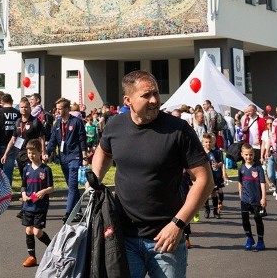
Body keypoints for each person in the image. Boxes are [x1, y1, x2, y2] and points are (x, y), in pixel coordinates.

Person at [90, 70, 213, 277]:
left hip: (166, 241)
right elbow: (103, 150)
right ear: (128, 100)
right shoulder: (115, 125)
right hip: (123, 238)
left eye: (156, 93)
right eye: (146, 95)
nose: (154, 100)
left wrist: (178, 224)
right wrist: (94, 181)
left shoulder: (178, 130)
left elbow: (205, 180)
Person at [44, 97, 87, 223]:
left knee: (72, 186)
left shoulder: (77, 122)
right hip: (63, 158)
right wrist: (47, 152)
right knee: (71, 185)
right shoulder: (57, 123)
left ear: (67, 109)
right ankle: (78, 212)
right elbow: (53, 140)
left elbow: (82, 139)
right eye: (56, 108)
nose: (57, 111)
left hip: (75, 157)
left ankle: (68, 213)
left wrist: (84, 156)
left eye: (60, 109)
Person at [20, 139, 53, 268]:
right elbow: (23, 186)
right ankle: (32, 257)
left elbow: (52, 188)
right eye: (29, 153)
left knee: (37, 232)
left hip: (40, 206)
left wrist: (44, 191)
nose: (31, 155)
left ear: (40, 152)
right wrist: (23, 194)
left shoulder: (46, 170)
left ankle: (52, 248)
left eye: (33, 153)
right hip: (28, 205)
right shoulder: (26, 169)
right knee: (28, 230)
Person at [237, 142, 267, 251]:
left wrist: (263, 198)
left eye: (250, 155)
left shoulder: (258, 169)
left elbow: (262, 184)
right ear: (242, 154)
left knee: (257, 219)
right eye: (246, 155)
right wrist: (240, 194)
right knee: (245, 220)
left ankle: (260, 240)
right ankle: (249, 238)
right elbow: (240, 182)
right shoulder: (241, 169)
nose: (248, 157)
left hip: (256, 199)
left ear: (254, 155)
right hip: (245, 199)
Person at [0, 93, 20, 185]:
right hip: (12, 145)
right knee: (8, 171)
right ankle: (7, 193)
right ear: (12, 101)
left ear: (2, 101)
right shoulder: (17, 113)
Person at [201, 133, 223, 219]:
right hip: (204, 176)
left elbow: (221, 162)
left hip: (214, 176)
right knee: (206, 194)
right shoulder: (201, 153)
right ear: (203, 143)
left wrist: (218, 165)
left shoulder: (216, 152)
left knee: (214, 193)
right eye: (206, 142)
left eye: (210, 142)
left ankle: (215, 211)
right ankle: (207, 210)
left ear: (213, 142)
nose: (208, 144)